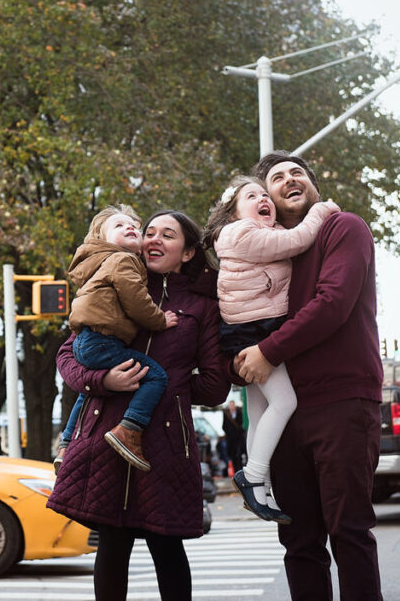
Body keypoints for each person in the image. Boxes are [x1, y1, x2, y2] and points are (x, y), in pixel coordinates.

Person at [47, 210, 242, 601]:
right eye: (149, 232)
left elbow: (215, 385)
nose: (153, 239)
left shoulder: (202, 306)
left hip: (166, 444)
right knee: (113, 545)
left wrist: (170, 391)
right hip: (105, 434)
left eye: (167, 235)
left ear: (187, 253)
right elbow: (69, 356)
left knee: (167, 545)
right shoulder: (117, 276)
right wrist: (103, 380)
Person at [235, 151, 384, 601]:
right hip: (286, 414)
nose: (289, 180)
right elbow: (238, 320)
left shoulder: (344, 229)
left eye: (297, 173)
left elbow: (333, 302)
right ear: (267, 199)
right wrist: (236, 361)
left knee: (349, 532)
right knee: (299, 545)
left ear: (313, 188)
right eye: (276, 178)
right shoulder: (270, 254)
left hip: (342, 402)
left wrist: (266, 351)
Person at [205, 174, 338, 523]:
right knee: (285, 401)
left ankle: (259, 491)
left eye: (265, 194)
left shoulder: (262, 232)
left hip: (251, 326)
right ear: (233, 213)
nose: (263, 198)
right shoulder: (240, 234)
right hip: (254, 329)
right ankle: (252, 475)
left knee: (260, 409)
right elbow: (299, 239)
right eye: (252, 196)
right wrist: (322, 210)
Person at [55, 205, 178, 474]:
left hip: (87, 340)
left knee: (82, 396)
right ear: (103, 241)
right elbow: (136, 301)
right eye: (119, 226)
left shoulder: (100, 267)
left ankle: (65, 443)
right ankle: (129, 428)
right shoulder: (123, 261)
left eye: (134, 226)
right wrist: (160, 320)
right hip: (103, 340)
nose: (130, 228)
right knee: (155, 376)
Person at [221, 400, 245, 476]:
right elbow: (224, 426)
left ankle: (240, 472)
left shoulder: (239, 413)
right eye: (230, 405)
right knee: (233, 456)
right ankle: (235, 473)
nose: (232, 407)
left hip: (238, 438)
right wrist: (228, 433)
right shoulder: (226, 414)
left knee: (239, 455)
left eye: (233, 405)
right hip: (230, 439)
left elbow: (242, 424)